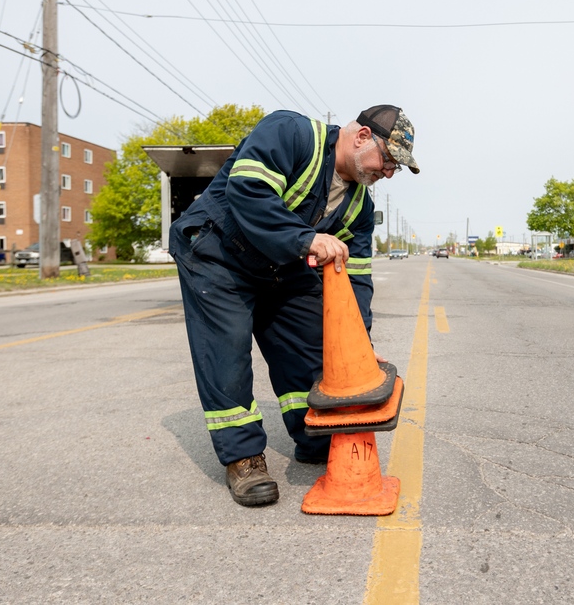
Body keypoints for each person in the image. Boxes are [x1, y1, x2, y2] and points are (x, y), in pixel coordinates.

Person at [168, 105, 418, 507]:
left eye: (396, 168)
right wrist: (306, 239)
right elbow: (248, 191)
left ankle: (313, 435)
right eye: (388, 159)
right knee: (227, 354)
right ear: (361, 137)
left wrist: (360, 342)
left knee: (308, 347)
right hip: (218, 253)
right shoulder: (291, 133)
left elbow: (355, 281)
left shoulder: (359, 209)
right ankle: (243, 457)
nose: (388, 172)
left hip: (279, 266)